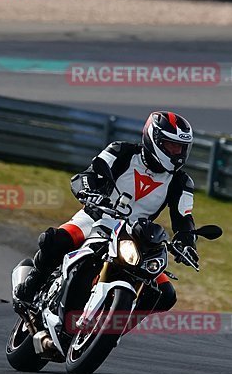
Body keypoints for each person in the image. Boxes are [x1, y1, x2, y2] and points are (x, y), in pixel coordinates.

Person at [14, 111, 199, 313]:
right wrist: (88, 192)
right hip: (98, 216)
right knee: (54, 240)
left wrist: (187, 243)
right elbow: (88, 175)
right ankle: (31, 285)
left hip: (137, 238)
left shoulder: (182, 182)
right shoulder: (121, 151)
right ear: (153, 139)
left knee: (165, 295)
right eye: (171, 145)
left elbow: (184, 218)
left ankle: (114, 327)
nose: (177, 152)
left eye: (181, 147)